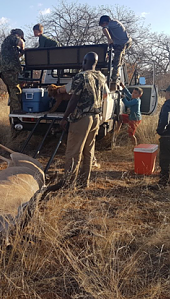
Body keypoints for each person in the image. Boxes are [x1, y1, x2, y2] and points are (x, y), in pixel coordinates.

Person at [60, 52, 108, 188]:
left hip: (82, 118)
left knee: (74, 152)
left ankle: (68, 184)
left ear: (84, 61)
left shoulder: (81, 77)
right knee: (89, 151)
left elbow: (74, 99)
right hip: (96, 118)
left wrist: (64, 118)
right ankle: (83, 182)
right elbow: (104, 95)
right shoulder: (101, 76)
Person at [99, 15, 132, 90]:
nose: (102, 27)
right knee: (118, 59)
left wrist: (109, 40)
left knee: (117, 61)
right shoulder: (116, 23)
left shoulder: (112, 24)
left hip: (122, 43)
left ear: (105, 22)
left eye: (102, 25)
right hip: (125, 41)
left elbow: (104, 29)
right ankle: (115, 70)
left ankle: (114, 78)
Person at [0, 28, 25, 114]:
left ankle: (14, 110)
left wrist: (21, 52)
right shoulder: (12, 38)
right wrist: (23, 48)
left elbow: (16, 56)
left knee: (12, 90)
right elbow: (21, 43)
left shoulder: (9, 46)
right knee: (15, 89)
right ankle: (17, 110)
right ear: (19, 35)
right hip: (10, 70)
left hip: (6, 70)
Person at [118, 82, 142, 146]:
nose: (133, 94)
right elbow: (128, 93)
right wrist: (123, 87)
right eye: (133, 92)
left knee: (131, 134)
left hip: (134, 119)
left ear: (139, 95)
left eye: (135, 93)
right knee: (120, 117)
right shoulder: (134, 98)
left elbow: (127, 104)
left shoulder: (136, 100)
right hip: (131, 117)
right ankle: (117, 131)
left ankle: (135, 147)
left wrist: (123, 98)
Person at [156, 85, 170, 187]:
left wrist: (160, 131)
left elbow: (164, 120)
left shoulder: (167, 105)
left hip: (167, 136)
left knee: (165, 158)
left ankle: (163, 181)